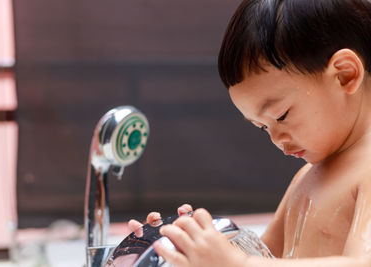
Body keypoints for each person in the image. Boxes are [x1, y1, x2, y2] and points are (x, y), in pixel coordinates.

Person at [129, 0, 371, 266]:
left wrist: (238, 264)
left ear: (345, 75)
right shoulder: (306, 178)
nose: (276, 139)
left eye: (281, 116)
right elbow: (264, 256)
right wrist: (198, 244)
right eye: (263, 127)